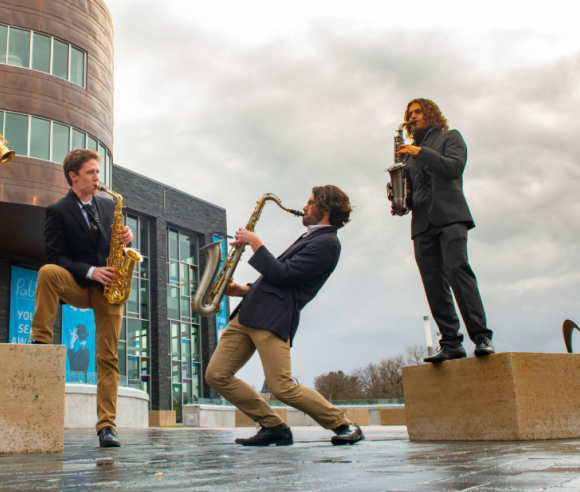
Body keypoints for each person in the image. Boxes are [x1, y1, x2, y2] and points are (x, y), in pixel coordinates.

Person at [205, 185, 364, 447]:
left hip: (272, 318)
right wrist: (244, 290)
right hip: (249, 313)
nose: (304, 206)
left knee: (282, 387)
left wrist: (255, 242)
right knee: (216, 375)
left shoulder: (327, 244)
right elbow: (278, 279)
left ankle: (343, 424)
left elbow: (282, 274)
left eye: (310, 202)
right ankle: (272, 425)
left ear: (325, 209)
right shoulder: (310, 237)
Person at [29, 149, 133, 448]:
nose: (97, 177)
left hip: (110, 288)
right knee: (48, 271)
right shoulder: (57, 210)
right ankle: (40, 340)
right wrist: (89, 271)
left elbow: (113, 246)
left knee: (107, 357)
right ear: (73, 177)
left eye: (97, 172)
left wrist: (125, 239)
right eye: (91, 172)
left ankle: (107, 427)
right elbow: (55, 256)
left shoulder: (109, 204)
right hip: (79, 283)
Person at [397, 99, 493, 362]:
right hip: (422, 223)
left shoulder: (451, 137)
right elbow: (412, 191)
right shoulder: (408, 153)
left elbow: (454, 168)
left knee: (457, 272)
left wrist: (420, 152)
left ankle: (482, 336)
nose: (412, 116)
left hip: (450, 217)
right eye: (409, 113)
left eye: (417, 112)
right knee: (433, 284)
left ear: (430, 113)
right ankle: (451, 343)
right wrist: (400, 197)